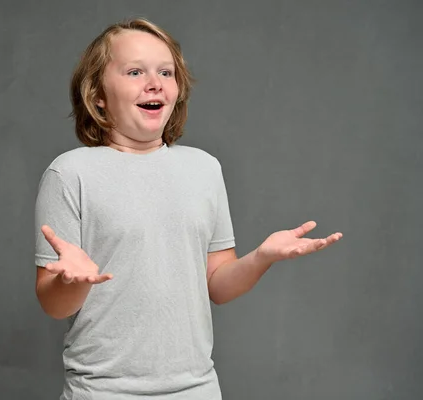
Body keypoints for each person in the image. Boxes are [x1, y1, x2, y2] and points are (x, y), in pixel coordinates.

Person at [34, 18, 342, 400]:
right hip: (101, 391)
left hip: (196, 390)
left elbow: (218, 285)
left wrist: (261, 257)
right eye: (134, 71)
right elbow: (53, 304)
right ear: (97, 94)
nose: (155, 82)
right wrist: (69, 281)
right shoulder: (69, 173)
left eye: (166, 72)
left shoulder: (204, 168)